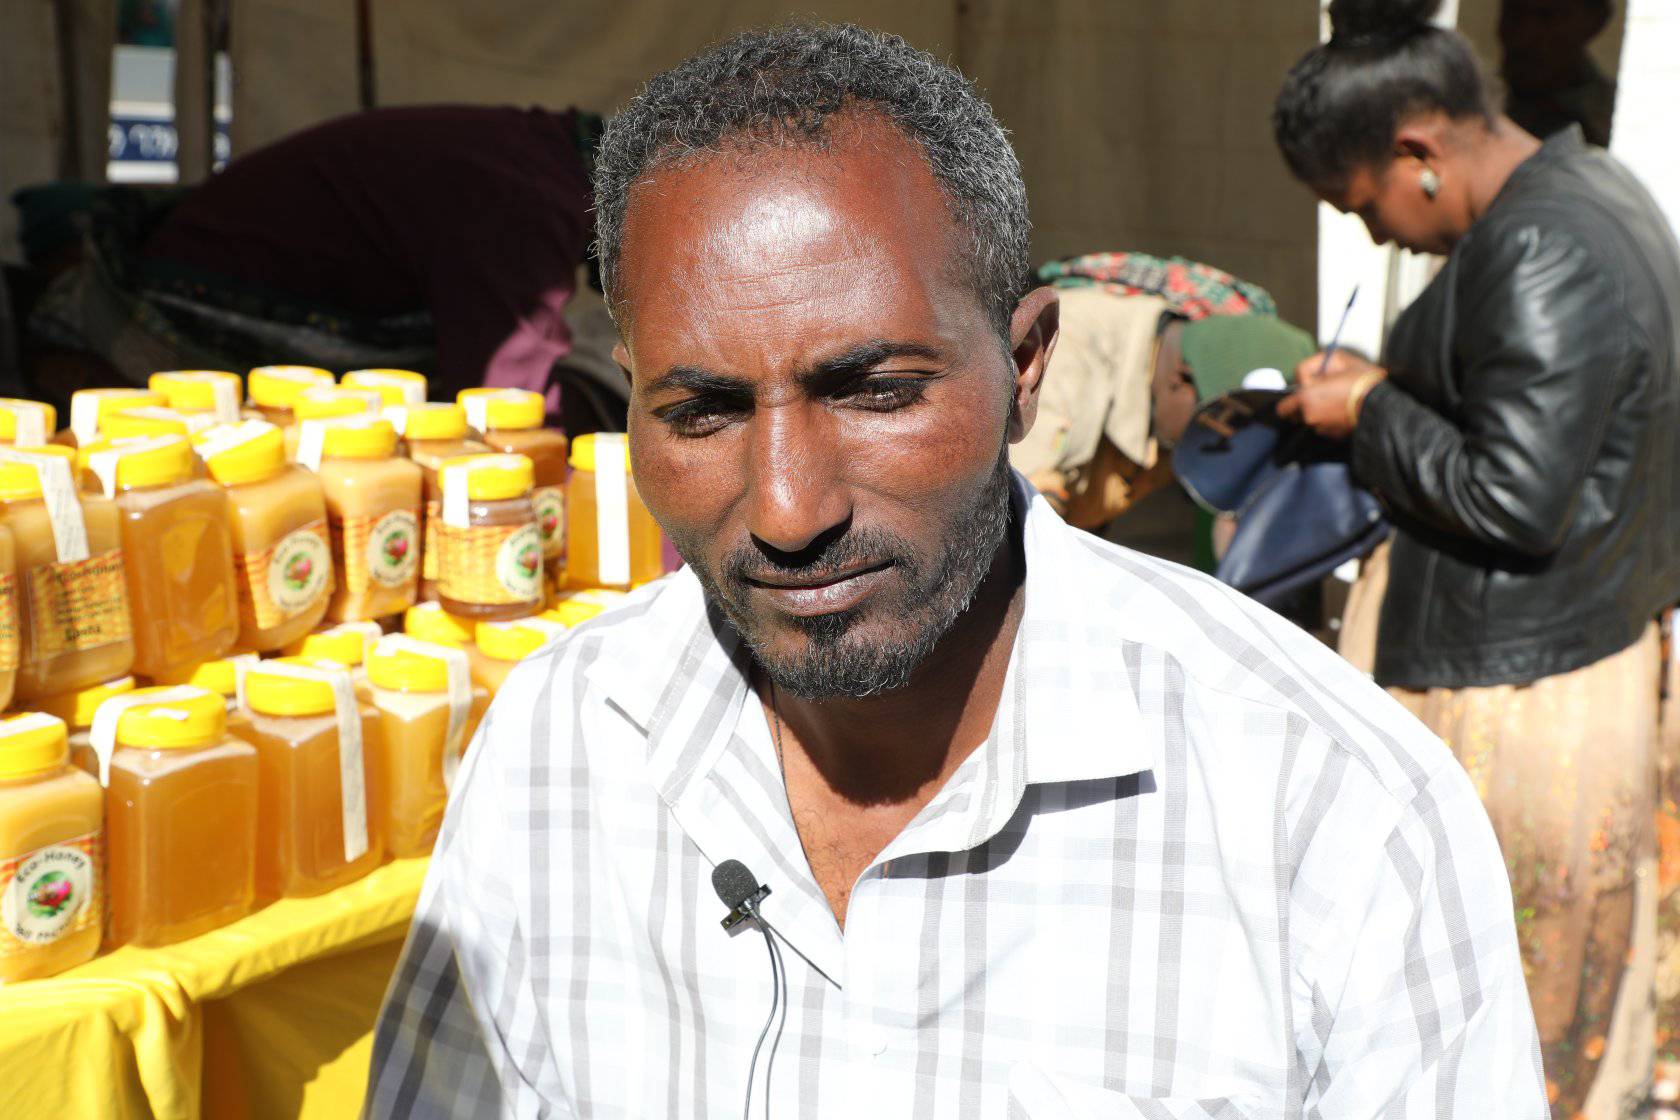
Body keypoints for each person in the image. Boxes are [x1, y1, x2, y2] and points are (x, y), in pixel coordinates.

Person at [367, 24, 1544, 1117]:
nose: (786, 510)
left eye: (876, 392)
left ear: (1027, 366)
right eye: (702, 410)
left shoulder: (1331, 810)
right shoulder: (558, 747)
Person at [1272, 1, 1680, 1115]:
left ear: (1419, 152)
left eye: (1363, 207)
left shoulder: (1544, 242)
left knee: (1507, 1002)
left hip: (1524, 686)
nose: (1376, 236)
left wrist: (1368, 406)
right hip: (1553, 647)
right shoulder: (1589, 191)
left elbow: (1513, 494)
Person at [139, 104, 598, 403]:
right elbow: (506, 397)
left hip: (222, 251)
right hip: (208, 284)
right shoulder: (530, 199)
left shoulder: (543, 154)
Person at [1500, 0, 1618, 147]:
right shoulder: (1476, 102)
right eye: (1514, 13)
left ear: (1595, 21)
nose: (1525, 34)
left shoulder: (1623, 120)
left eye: (1548, 16)